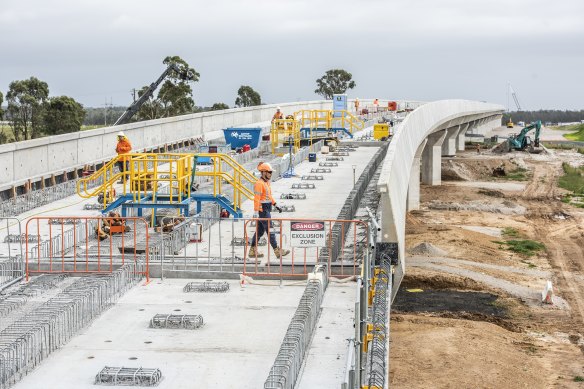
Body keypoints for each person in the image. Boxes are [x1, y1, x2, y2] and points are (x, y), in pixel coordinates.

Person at [248, 162, 290, 258]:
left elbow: (269, 196)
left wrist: (275, 204)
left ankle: (252, 251)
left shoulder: (266, 183)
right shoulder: (259, 184)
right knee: (270, 230)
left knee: (260, 231)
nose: (271, 174)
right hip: (263, 211)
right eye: (269, 172)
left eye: (271, 172)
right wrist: (255, 212)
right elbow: (257, 198)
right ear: (263, 173)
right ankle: (277, 250)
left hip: (267, 209)